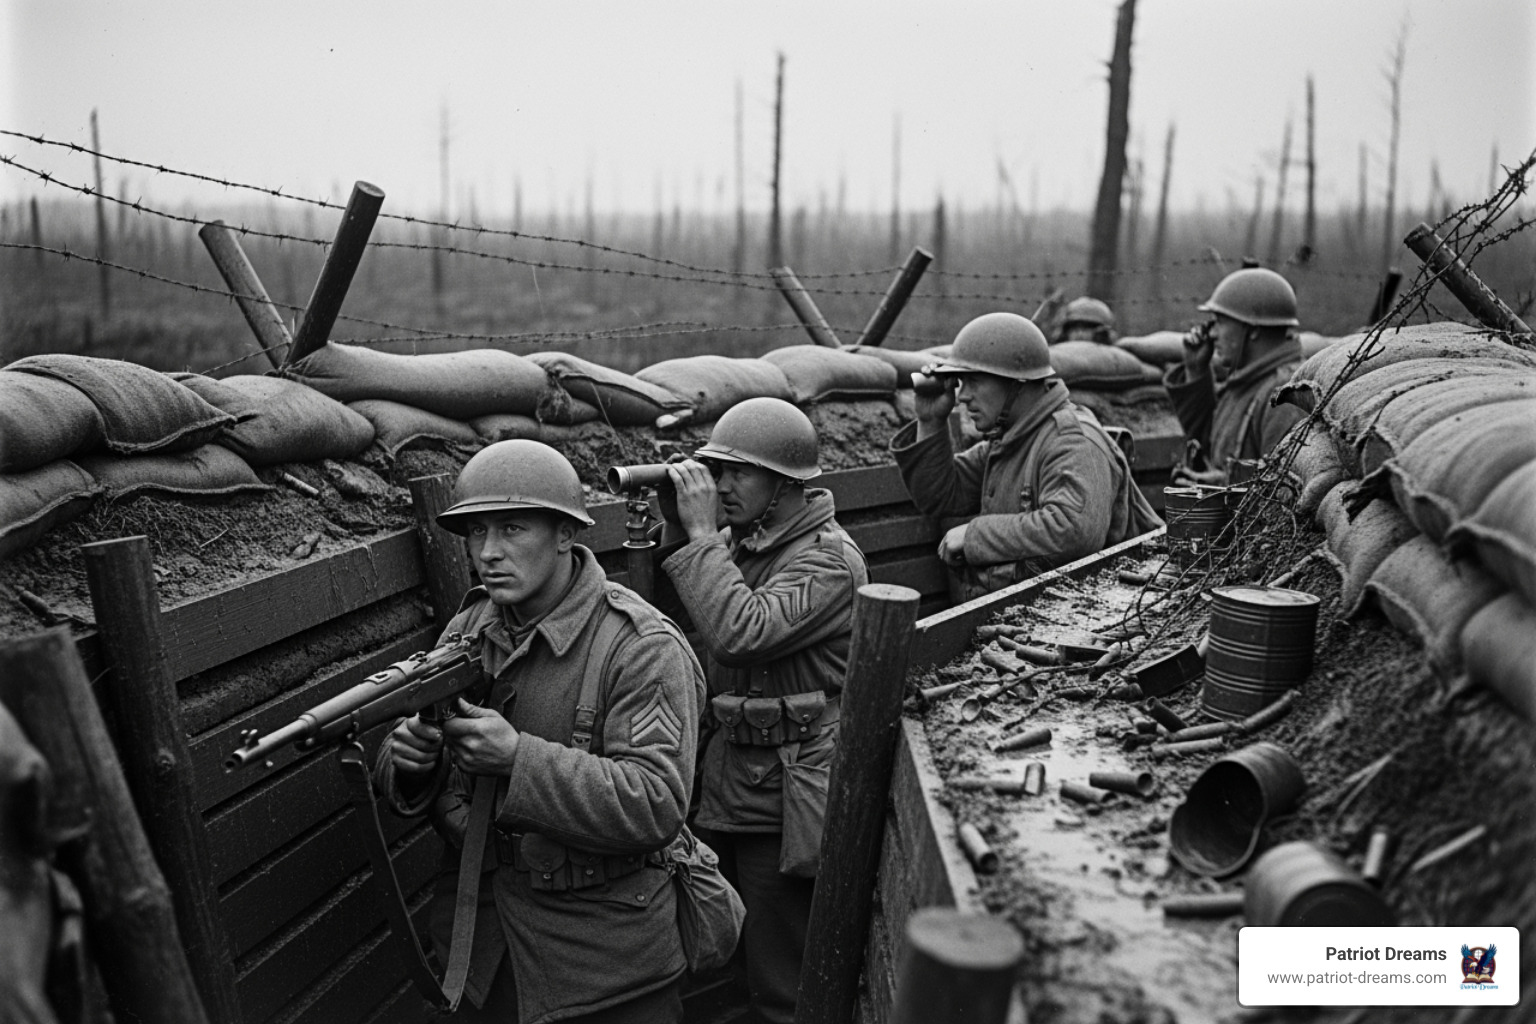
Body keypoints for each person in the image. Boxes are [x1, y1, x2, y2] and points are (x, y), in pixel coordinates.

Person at [375, 439, 705, 1024]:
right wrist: (411, 758)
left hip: (605, 965)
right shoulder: (472, 623)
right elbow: (432, 759)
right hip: (485, 948)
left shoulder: (640, 645)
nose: (489, 553)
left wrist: (518, 758)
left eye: (512, 529)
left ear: (564, 535)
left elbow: (657, 803)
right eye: (477, 533)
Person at [660, 398, 867, 1024]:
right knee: (728, 947)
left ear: (785, 484)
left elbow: (740, 633)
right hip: (733, 780)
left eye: (737, 473)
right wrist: (682, 530)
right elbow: (686, 623)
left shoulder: (829, 561)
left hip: (787, 794)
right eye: (714, 471)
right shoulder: (751, 543)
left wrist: (700, 538)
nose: (720, 486)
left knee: (782, 972)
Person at [893, 311, 1162, 602]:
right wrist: (931, 420)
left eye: (974, 382)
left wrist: (975, 536)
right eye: (961, 382)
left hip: (1092, 620)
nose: (963, 396)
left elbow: (1074, 531)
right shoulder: (1013, 439)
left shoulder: (1072, 442)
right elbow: (940, 494)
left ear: (1016, 383)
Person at [1166, 267, 1308, 486]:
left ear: (1252, 330)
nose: (1212, 334)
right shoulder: (1246, 384)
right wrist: (1196, 369)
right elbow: (1211, 445)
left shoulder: (1284, 395)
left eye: (1220, 323)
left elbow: (1286, 489)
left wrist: (1224, 485)